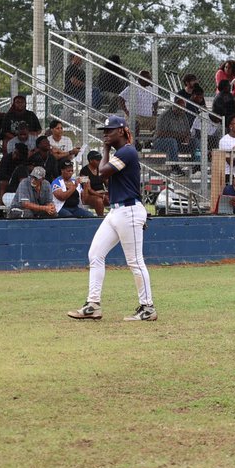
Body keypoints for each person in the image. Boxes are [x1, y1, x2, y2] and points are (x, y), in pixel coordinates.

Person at [67, 115, 156, 322]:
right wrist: (107, 149)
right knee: (95, 254)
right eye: (104, 131)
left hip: (129, 210)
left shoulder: (127, 151)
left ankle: (148, 307)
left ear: (122, 131)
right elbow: (106, 176)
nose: (106, 134)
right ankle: (93, 305)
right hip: (117, 212)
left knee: (135, 261)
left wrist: (105, 149)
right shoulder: (120, 153)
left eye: (110, 130)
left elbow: (101, 173)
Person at [79, 150, 109, 217]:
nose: (100, 161)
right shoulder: (84, 171)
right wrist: (102, 196)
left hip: (101, 192)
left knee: (116, 198)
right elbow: (88, 189)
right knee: (99, 200)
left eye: (100, 160)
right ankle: (100, 218)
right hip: (89, 195)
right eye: (97, 160)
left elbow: (107, 183)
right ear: (90, 160)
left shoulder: (101, 169)